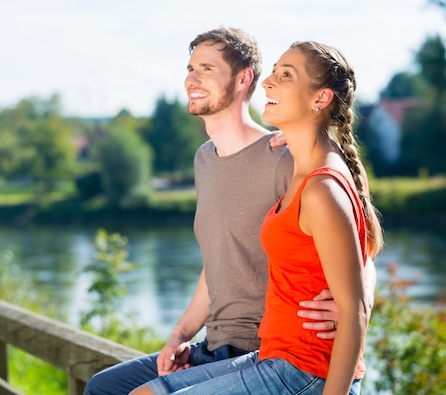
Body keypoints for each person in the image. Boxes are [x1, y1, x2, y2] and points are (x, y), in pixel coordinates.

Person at [83, 28, 376, 395]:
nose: (192, 78)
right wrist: (180, 334)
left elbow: (359, 241)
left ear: (243, 79)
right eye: (190, 68)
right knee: (101, 388)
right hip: (217, 346)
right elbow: (219, 259)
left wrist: (357, 302)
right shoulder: (205, 159)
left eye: (206, 68)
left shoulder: (286, 157)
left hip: (270, 352)